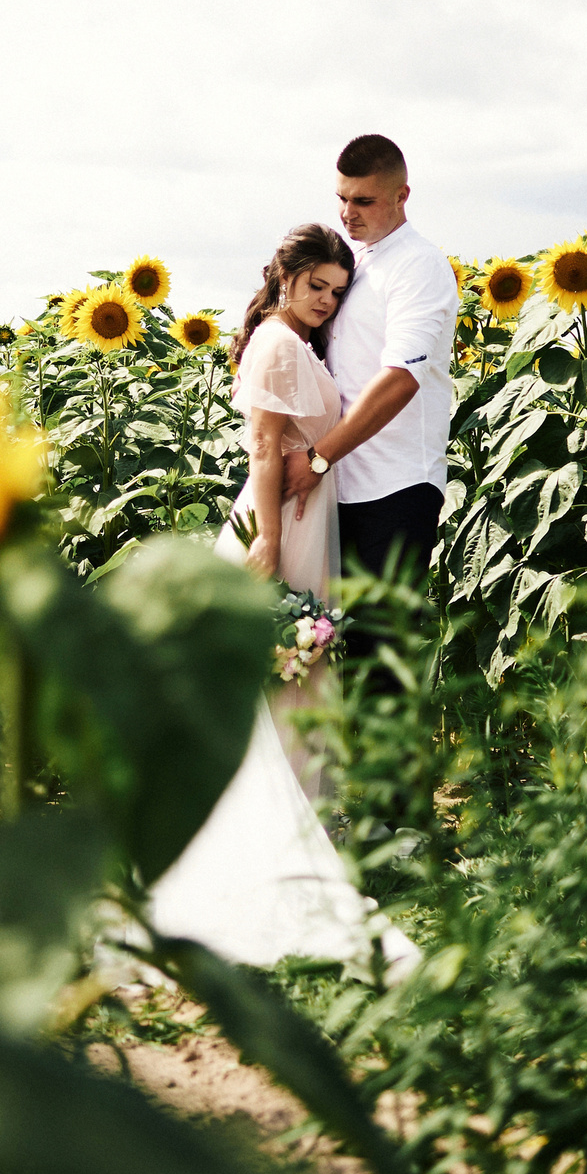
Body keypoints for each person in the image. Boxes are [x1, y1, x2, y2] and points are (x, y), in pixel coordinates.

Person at [145, 223, 418, 982]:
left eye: (337, 291)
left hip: (303, 517)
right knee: (281, 673)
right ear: (286, 275)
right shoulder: (276, 341)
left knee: (297, 676)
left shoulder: (297, 342)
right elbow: (265, 448)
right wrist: (266, 543)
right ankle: (272, 842)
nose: (328, 302)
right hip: (282, 523)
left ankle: (301, 834)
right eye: (317, 286)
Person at [287, 133, 460, 590]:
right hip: (338, 487)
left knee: (379, 650)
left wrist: (319, 458)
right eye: (341, 198)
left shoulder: (418, 265)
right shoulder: (352, 263)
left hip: (395, 488)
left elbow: (401, 378)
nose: (347, 214)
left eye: (363, 201)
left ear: (402, 196)